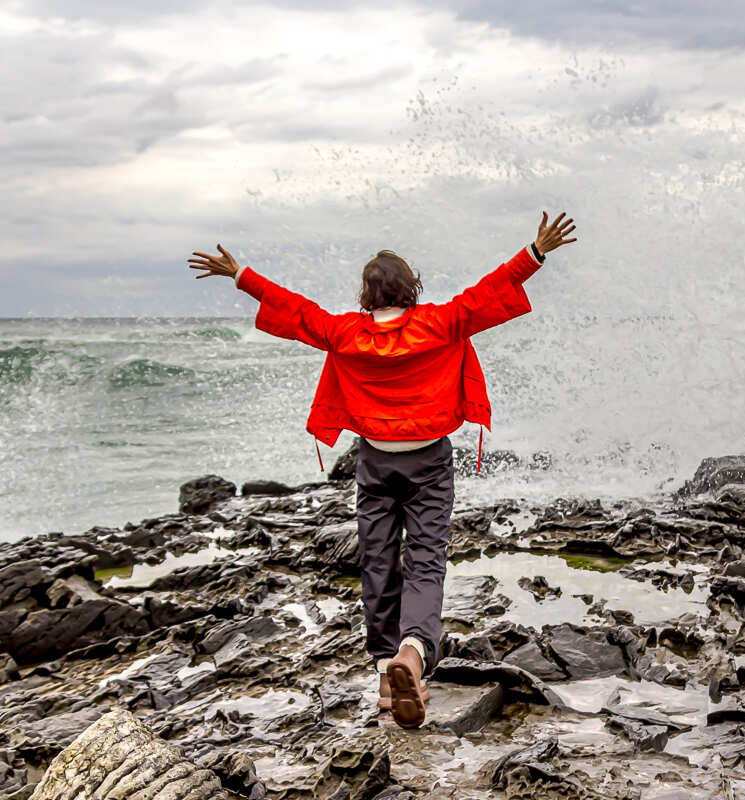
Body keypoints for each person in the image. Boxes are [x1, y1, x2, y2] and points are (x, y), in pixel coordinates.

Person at [186, 212, 577, 728]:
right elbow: (487, 294)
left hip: (374, 461)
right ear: (411, 289)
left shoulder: (345, 332)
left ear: (365, 295)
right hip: (429, 460)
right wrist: (534, 252)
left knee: (376, 561)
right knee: (425, 560)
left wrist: (241, 276)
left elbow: (296, 311)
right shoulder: (439, 322)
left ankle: (383, 671)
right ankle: (413, 655)